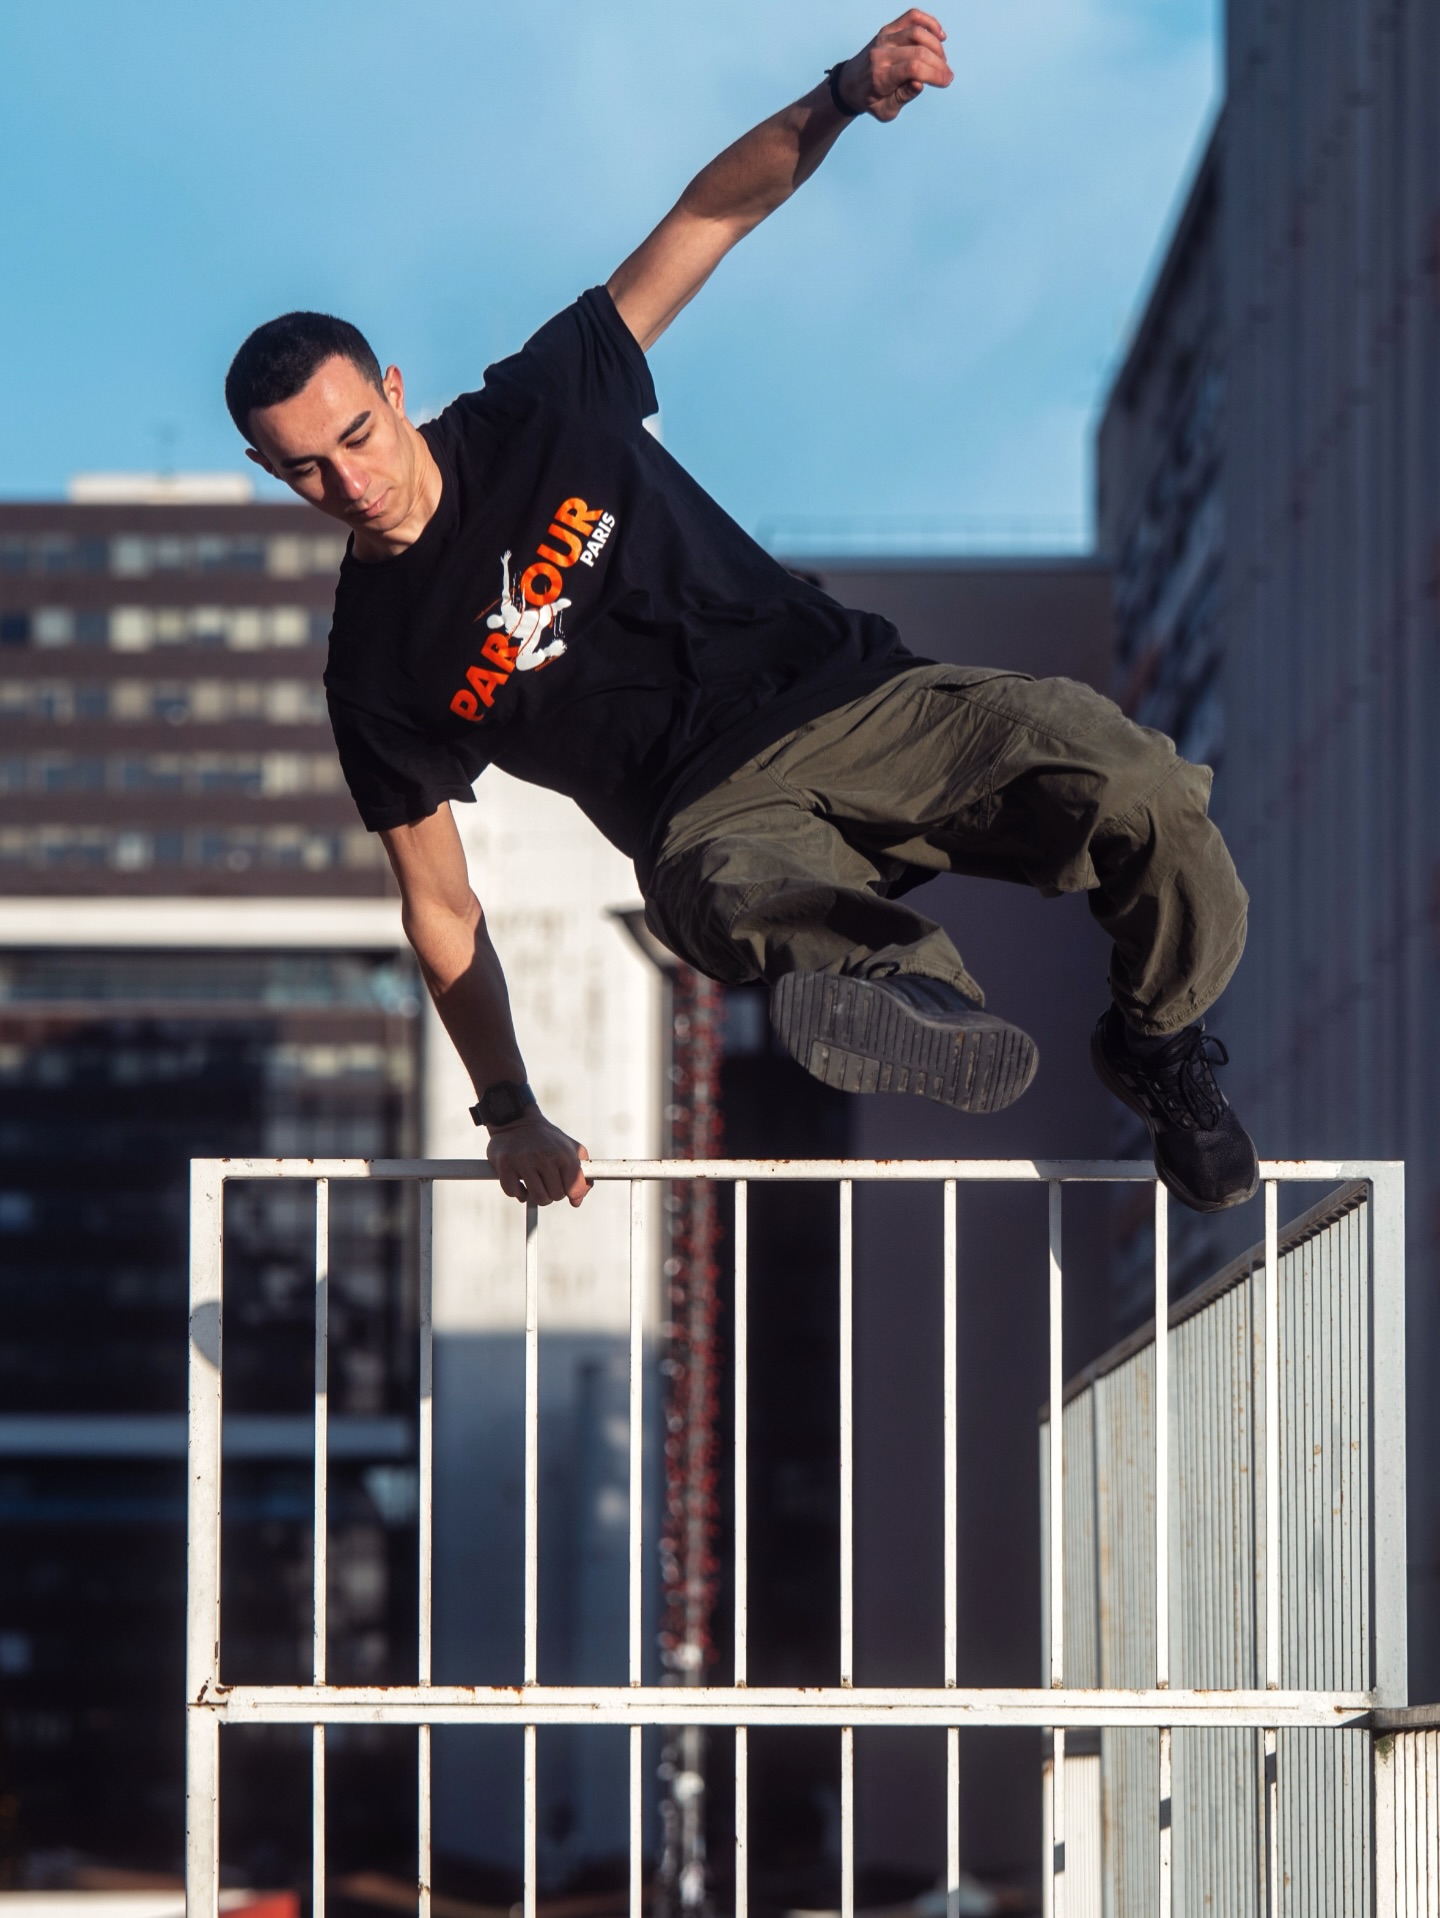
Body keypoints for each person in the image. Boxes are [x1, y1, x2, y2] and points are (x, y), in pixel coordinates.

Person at [224, 10, 1257, 1218]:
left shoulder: (545, 403)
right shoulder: (374, 670)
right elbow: (442, 907)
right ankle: (902, 992)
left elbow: (710, 217)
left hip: (864, 701)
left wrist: (843, 93)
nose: (350, 482)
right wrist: (509, 1107)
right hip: (704, 813)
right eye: (305, 470)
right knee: (735, 893)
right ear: (267, 470)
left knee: (1133, 779)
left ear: (393, 390)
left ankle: (1158, 1045)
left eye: (357, 436)